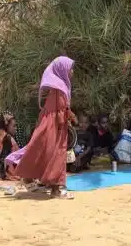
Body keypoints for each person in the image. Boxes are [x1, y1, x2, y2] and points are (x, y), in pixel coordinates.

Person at [6, 56, 77, 199]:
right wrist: (70, 118)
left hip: (49, 126)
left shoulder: (58, 88)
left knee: (42, 152)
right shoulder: (60, 89)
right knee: (56, 155)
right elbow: (60, 112)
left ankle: (29, 179)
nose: (72, 72)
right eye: (70, 68)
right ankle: (56, 190)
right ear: (62, 70)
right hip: (54, 128)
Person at [0, 112, 21, 181]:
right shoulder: (7, 138)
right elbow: (9, 158)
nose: (16, 128)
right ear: (7, 125)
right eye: (14, 126)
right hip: (1, 173)